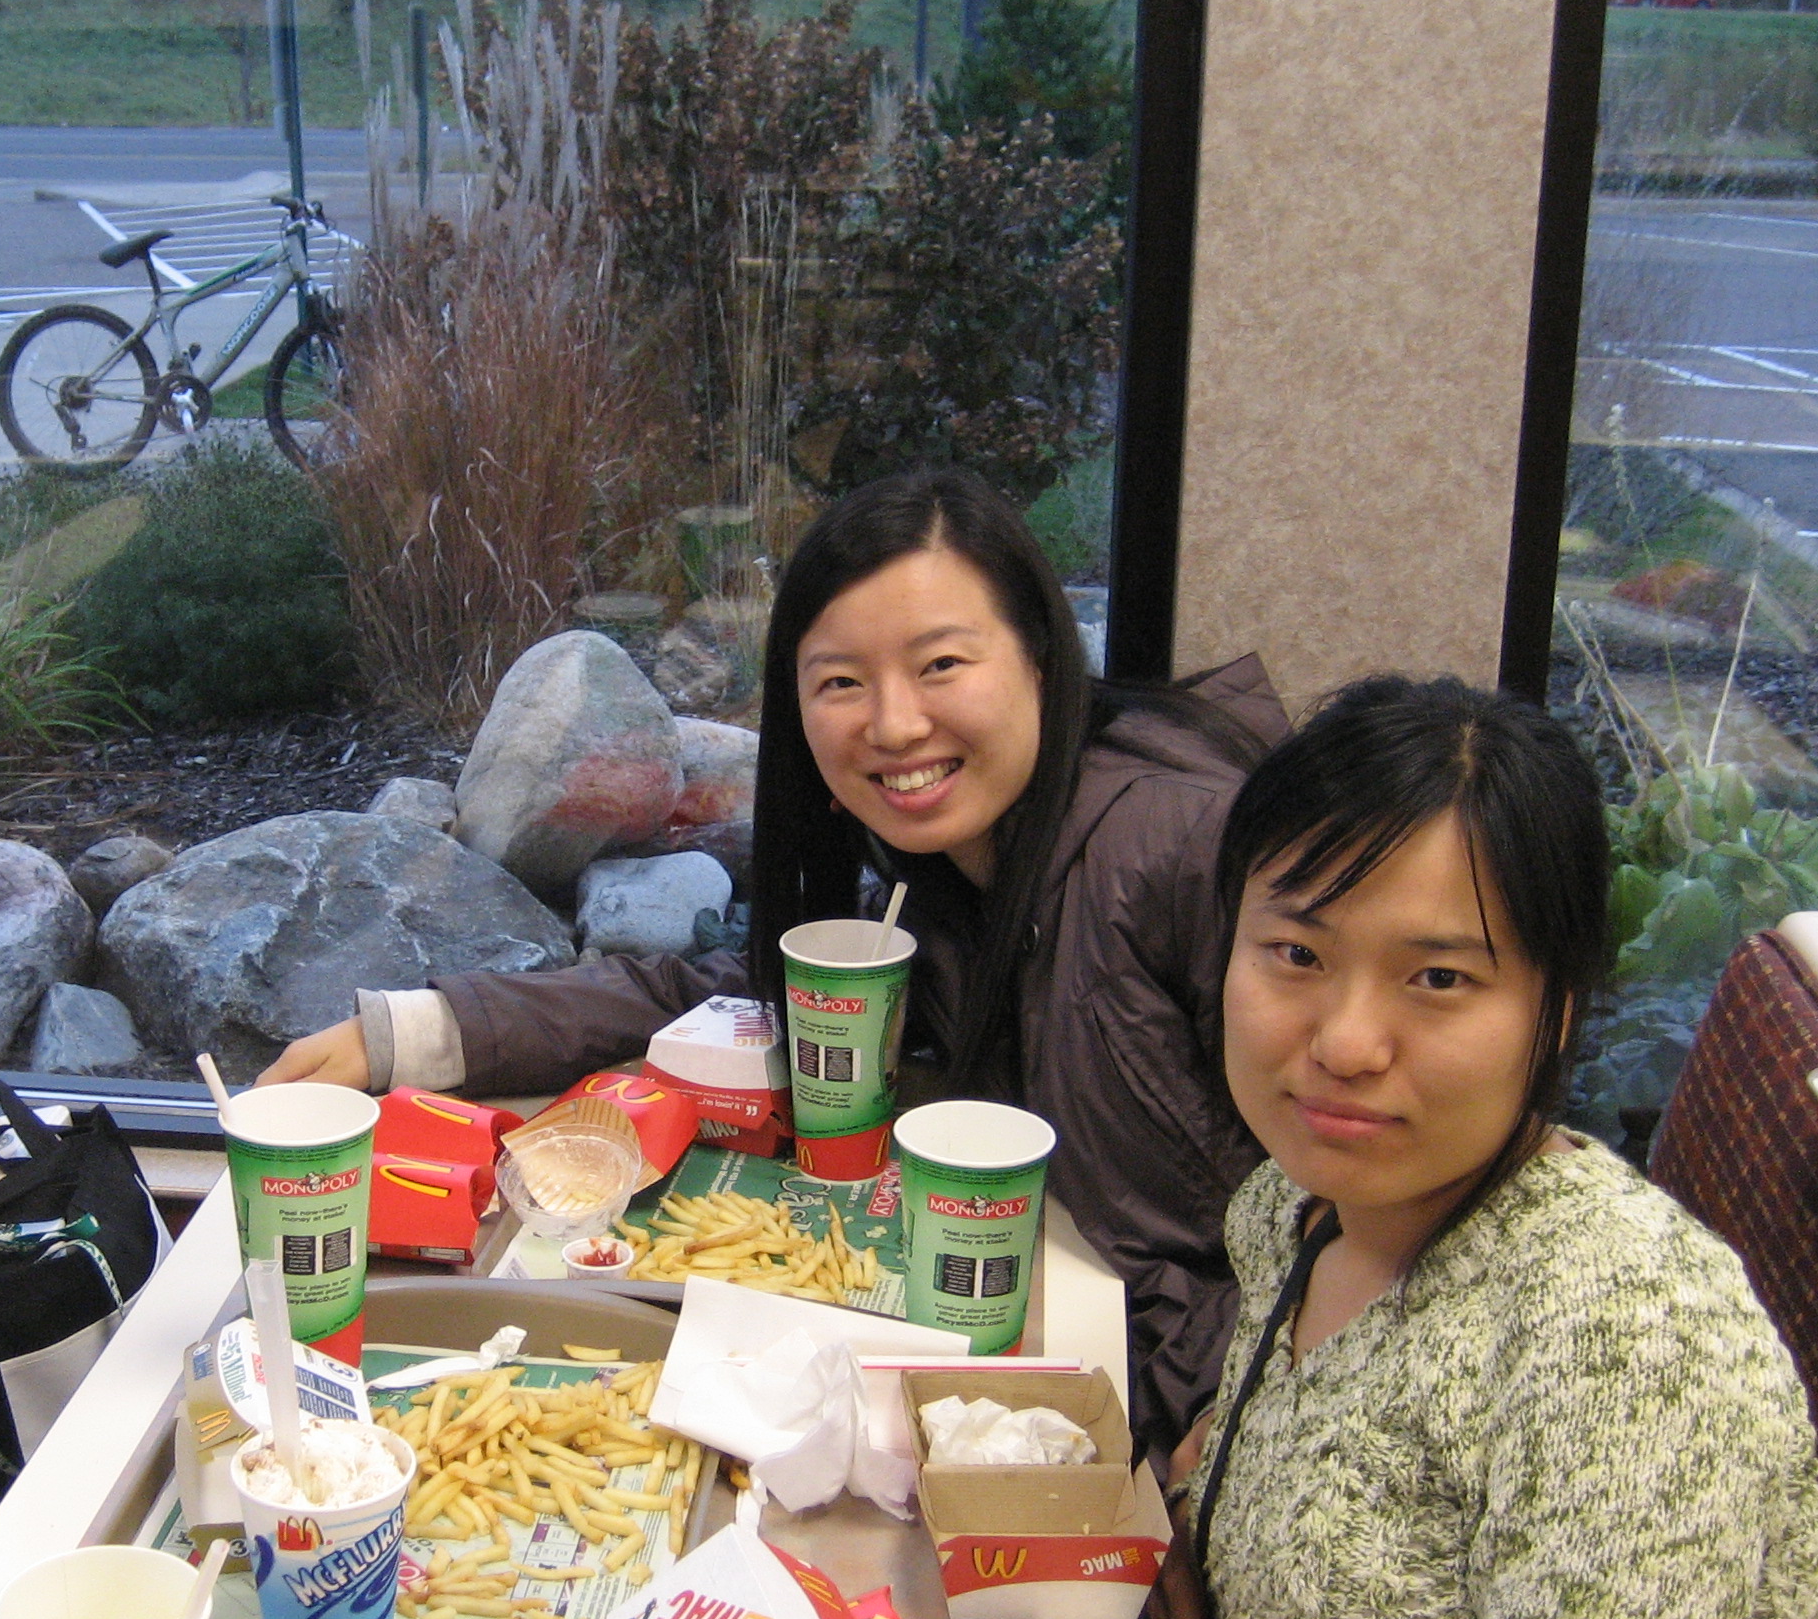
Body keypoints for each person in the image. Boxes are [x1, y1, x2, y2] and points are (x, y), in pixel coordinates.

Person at [262, 464, 1285, 1451]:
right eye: (841, 682)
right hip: (1088, 1373)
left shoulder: (1180, 850)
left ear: (1042, 661)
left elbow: (1332, 1200)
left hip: (1211, 1420)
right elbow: (742, 994)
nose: (894, 723)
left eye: (940, 665)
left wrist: (1218, 1433)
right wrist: (419, 1032)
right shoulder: (952, 882)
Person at [1149, 674, 1818, 1619]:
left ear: (1558, 1006)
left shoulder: (1629, 1342)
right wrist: (1181, 1519)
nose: (1346, 1041)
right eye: (1296, 954)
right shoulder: (1291, 1211)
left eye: (1437, 977)